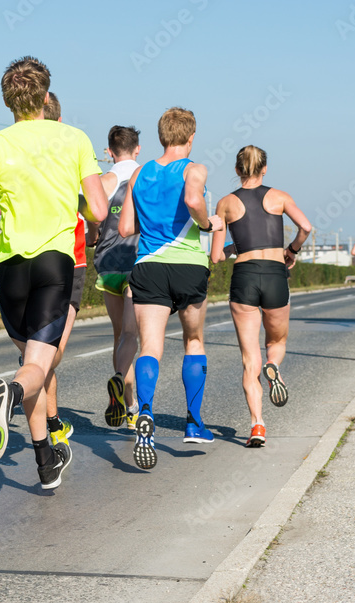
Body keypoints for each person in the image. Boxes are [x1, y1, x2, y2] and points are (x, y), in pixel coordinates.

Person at [0, 57, 108, 490]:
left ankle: (46, 462)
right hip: (54, 263)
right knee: (35, 365)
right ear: (46, 96)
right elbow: (99, 208)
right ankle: (11, 395)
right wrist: (76, 203)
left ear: (7, 101)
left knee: (31, 361)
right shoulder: (75, 138)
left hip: (10, 266)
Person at [118, 107, 223, 470]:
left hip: (148, 266)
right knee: (193, 340)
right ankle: (194, 423)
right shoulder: (195, 169)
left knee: (150, 346)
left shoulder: (140, 173)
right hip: (188, 266)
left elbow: (125, 228)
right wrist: (208, 224)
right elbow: (194, 200)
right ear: (191, 138)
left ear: (162, 137)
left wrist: (154, 223)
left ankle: (145, 413)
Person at [211, 146, 311, 447]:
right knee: (276, 342)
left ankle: (257, 425)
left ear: (237, 170)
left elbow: (216, 256)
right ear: (264, 168)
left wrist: (234, 248)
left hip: (244, 276)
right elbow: (306, 227)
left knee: (249, 358)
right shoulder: (280, 197)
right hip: (275, 274)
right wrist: (291, 250)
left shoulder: (225, 203)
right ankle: (274, 367)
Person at [38, 92, 87, 450]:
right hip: (70, 257)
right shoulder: (73, 146)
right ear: (59, 119)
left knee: (39, 349)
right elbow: (95, 206)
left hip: (21, 258)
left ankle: (53, 425)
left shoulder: (13, 148)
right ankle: (21, 384)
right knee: (50, 351)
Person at [91, 125, 142, 430]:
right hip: (137, 262)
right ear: (138, 149)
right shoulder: (145, 176)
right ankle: (132, 403)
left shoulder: (102, 181)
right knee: (132, 336)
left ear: (109, 152)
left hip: (108, 265)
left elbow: (92, 222)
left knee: (118, 335)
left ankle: (127, 400)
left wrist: (94, 236)